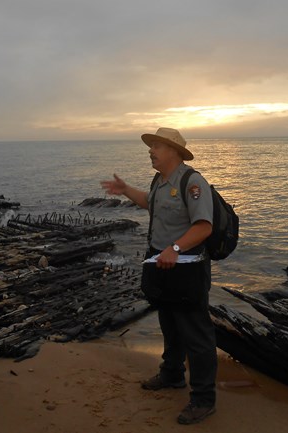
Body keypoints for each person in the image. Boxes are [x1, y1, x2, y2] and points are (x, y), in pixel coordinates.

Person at [100, 127, 217, 425]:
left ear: (174, 152)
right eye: (150, 146)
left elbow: (204, 226)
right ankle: (172, 374)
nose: (151, 151)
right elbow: (150, 203)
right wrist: (126, 189)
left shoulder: (193, 182)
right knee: (169, 323)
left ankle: (204, 399)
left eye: (156, 146)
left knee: (196, 334)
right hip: (161, 263)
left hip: (187, 268)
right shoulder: (160, 180)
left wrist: (175, 248)